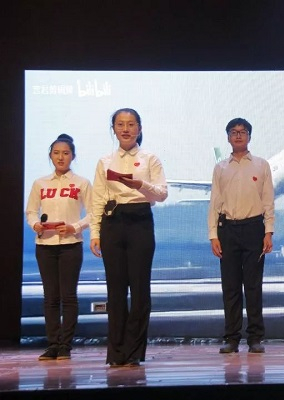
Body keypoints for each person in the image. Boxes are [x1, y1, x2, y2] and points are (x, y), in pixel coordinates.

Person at [89, 108, 168, 367]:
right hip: (112, 221)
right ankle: (116, 352)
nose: (126, 129)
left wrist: (140, 185)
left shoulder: (150, 159)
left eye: (131, 124)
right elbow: (98, 199)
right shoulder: (104, 161)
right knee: (115, 290)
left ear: (139, 129)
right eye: (120, 124)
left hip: (140, 220)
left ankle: (134, 351)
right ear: (113, 129)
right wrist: (95, 233)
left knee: (140, 289)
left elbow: (162, 194)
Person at [208, 117, 275, 354]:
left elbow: (268, 201)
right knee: (231, 287)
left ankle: (255, 338)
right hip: (227, 230)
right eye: (234, 132)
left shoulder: (261, 165)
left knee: (254, 286)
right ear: (228, 137)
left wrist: (268, 231)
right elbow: (214, 203)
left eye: (243, 131)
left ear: (249, 136)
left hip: (254, 229)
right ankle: (232, 338)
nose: (238, 135)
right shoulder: (220, 168)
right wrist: (213, 235)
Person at [25, 133, 92, 361]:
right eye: (56, 153)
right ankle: (52, 344)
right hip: (45, 244)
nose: (61, 157)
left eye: (65, 153)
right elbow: (31, 211)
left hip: (71, 245)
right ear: (50, 156)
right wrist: (35, 224)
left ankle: (65, 346)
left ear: (73, 156)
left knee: (68, 296)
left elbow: (94, 212)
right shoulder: (40, 183)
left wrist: (75, 227)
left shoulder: (82, 183)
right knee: (50, 297)